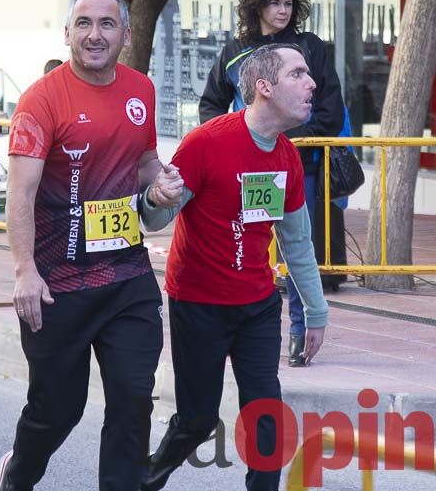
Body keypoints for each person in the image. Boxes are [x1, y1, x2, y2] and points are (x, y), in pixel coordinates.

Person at [0, 0, 176, 491]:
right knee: (58, 409)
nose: (94, 35)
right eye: (84, 24)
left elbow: (142, 162)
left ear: (126, 34)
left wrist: (159, 183)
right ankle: (17, 475)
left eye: (107, 24)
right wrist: (24, 272)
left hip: (126, 276)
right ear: (68, 32)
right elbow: (21, 195)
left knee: (134, 395)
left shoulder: (141, 90)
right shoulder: (41, 100)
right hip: (57, 283)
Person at [140, 44, 329, 491]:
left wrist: (317, 312)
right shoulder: (207, 142)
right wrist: (154, 196)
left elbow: (297, 243)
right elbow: (157, 217)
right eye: (298, 74)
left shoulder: (287, 157)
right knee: (198, 418)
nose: (312, 83)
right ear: (264, 87)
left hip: (258, 306)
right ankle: (144, 479)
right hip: (198, 303)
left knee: (266, 413)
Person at [198, 0, 345, 367]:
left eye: (288, 3)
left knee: (298, 248)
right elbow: (211, 105)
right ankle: (239, 330)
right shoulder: (235, 51)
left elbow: (330, 107)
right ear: (256, 6)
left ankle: (299, 331)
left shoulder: (309, 48)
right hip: (246, 170)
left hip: (300, 165)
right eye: (273, 2)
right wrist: (229, 142)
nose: (282, 10)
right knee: (243, 244)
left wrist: (290, 140)